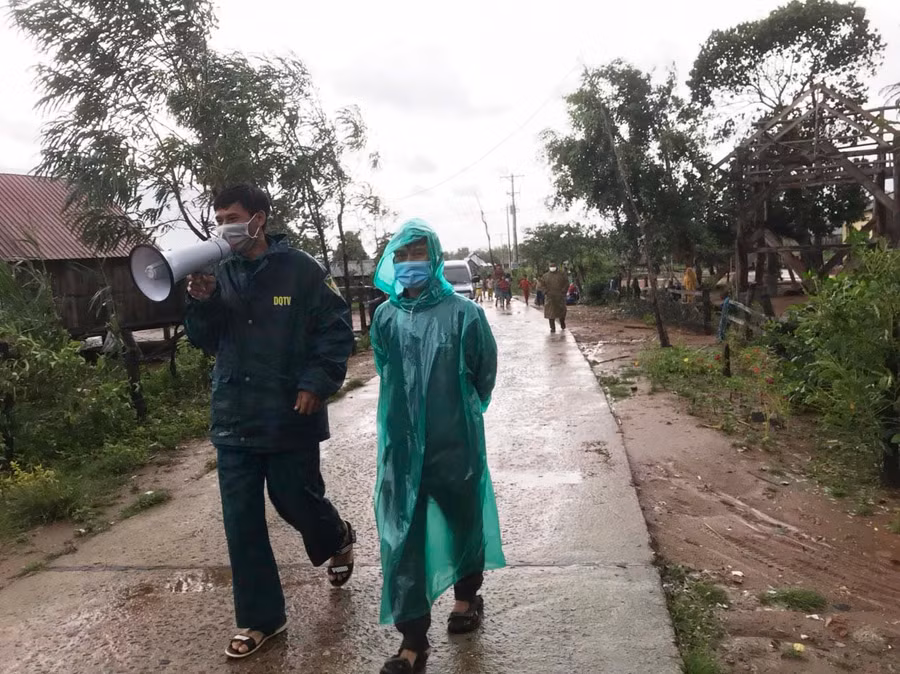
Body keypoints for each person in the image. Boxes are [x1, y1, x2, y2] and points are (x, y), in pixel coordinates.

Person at [184, 184, 357, 660]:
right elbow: (205, 340)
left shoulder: (301, 269)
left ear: (259, 218)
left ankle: (337, 536)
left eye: (233, 216)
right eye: (219, 218)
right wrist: (200, 301)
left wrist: (316, 382)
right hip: (234, 417)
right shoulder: (220, 272)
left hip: (289, 414)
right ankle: (262, 619)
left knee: (294, 500)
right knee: (240, 521)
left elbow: (335, 329)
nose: (225, 226)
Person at [370, 219, 505, 674]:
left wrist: (462, 413)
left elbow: (484, 371)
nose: (409, 264)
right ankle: (412, 643)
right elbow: (386, 371)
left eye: (418, 254)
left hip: (455, 443)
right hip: (401, 450)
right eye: (401, 255)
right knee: (401, 537)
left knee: (463, 521)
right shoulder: (384, 316)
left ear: (434, 257)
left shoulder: (465, 314)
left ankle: (466, 599)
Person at [541, 263, 569, 333]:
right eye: (551, 266)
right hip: (550, 297)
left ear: (556, 267)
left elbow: (566, 283)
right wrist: (546, 292)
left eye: (553, 266)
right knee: (551, 313)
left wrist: (563, 291)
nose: (552, 268)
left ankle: (562, 323)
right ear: (549, 267)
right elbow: (541, 285)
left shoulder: (561, 274)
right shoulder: (545, 276)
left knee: (562, 311)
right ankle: (552, 328)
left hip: (560, 296)